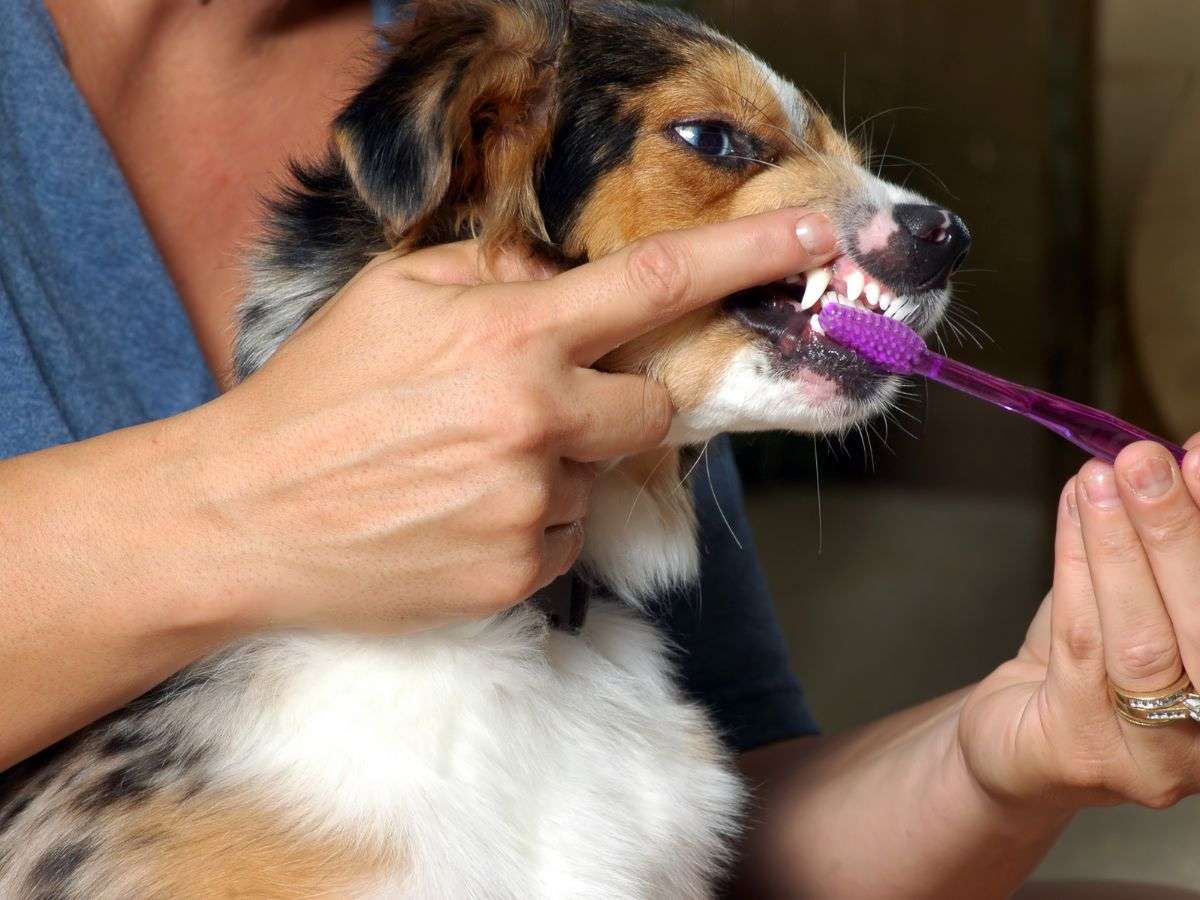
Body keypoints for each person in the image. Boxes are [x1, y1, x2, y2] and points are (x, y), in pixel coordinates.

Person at [3, 1, 1200, 897]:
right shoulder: (509, 89)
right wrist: (249, 509)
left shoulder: (572, 52)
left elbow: (742, 823)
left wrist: (1016, 749)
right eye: (720, 142)